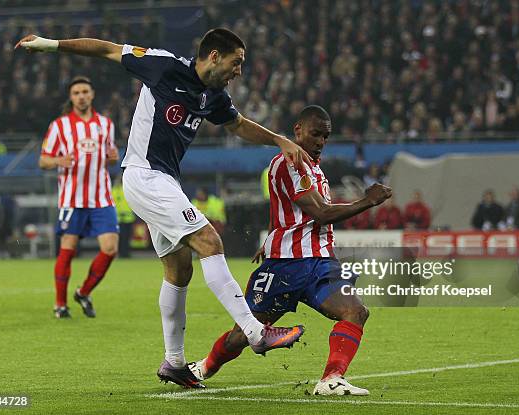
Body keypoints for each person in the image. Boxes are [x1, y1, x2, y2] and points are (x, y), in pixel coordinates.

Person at [16, 27, 309, 388]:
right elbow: (107, 50)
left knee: (179, 269)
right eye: (237, 63)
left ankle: (173, 363)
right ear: (214, 56)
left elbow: (238, 126)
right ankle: (255, 331)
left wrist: (278, 140)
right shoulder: (164, 66)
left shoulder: (214, 95)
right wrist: (50, 44)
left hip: (165, 181)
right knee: (209, 242)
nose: (239, 71)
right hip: (144, 175)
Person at [187, 106, 392, 396]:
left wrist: (271, 234)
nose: (321, 141)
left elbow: (283, 207)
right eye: (315, 134)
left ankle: (331, 379)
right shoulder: (289, 163)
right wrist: (367, 201)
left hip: (320, 262)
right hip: (286, 267)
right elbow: (320, 213)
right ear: (298, 130)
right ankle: (204, 367)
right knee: (244, 335)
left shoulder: (314, 167)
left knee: (355, 311)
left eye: (326, 136)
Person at [38, 76, 120, 319]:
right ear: (71, 98)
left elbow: (109, 157)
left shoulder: (105, 124)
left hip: (101, 197)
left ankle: (83, 292)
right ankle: (60, 305)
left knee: (110, 248)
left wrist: (112, 158)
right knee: (68, 249)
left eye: (85, 91)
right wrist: (57, 161)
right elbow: (43, 160)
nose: (81, 96)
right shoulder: (59, 126)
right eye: (76, 93)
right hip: (71, 199)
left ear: (92, 94)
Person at [111, 174, 136, 258]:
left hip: (127, 218)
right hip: (120, 218)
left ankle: (125, 253)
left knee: (126, 237)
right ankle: (122, 253)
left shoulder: (124, 190)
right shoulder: (116, 190)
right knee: (121, 238)